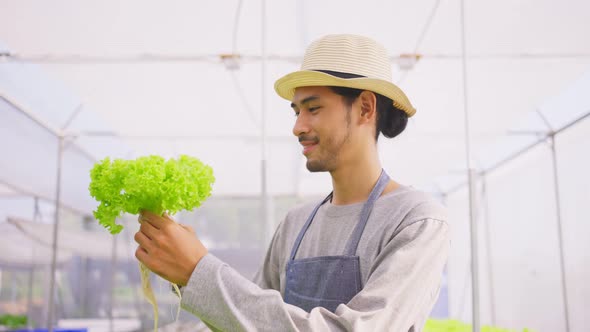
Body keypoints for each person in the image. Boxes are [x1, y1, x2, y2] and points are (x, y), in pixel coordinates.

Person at [134, 34, 450, 331]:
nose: (298, 127)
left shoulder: (417, 220)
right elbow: (245, 323)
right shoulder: (296, 223)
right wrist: (184, 270)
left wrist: (198, 271)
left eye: (313, 108)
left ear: (365, 107)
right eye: (296, 111)